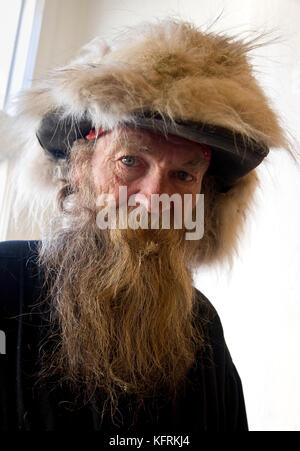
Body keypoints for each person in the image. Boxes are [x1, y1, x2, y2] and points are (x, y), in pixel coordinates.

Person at [0, 19, 289, 435]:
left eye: (184, 176)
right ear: (80, 170)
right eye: (130, 161)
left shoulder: (202, 328)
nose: (154, 201)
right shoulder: (5, 285)